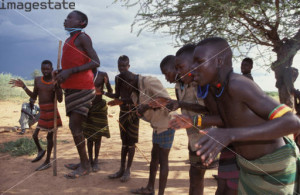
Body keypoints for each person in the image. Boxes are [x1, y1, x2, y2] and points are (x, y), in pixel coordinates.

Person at [182, 37, 300, 194]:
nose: (193, 68)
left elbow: (292, 122)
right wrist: (195, 121)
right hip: (248, 168)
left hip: (274, 169)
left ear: (219, 61)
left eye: (199, 61)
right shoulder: (216, 89)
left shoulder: (238, 84)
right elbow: (230, 119)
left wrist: (230, 134)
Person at [55, 10, 100, 178]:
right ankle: (83, 162)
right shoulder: (69, 40)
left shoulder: (82, 37)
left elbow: (96, 62)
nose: (66, 20)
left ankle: (85, 165)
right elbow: (71, 66)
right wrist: (61, 72)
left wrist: (70, 71)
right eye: (66, 17)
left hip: (83, 88)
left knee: (75, 126)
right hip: (72, 89)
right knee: (75, 126)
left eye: (70, 17)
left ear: (82, 23)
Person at [117, 71, 175, 195]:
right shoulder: (134, 92)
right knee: (154, 158)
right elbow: (142, 109)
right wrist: (140, 112)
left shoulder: (149, 81)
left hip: (166, 124)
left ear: (130, 81)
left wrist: (147, 106)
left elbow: (167, 101)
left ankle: (160, 193)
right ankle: (150, 188)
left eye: (125, 87)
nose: (125, 90)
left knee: (163, 160)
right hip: (156, 126)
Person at [9, 60, 63, 171]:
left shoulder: (56, 81)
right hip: (43, 111)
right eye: (43, 69)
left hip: (52, 111)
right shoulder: (37, 80)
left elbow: (60, 100)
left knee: (49, 137)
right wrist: (24, 87)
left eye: (48, 69)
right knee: (34, 135)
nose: (45, 71)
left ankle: (47, 161)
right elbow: (34, 96)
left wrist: (57, 86)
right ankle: (41, 151)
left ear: (52, 69)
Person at [64, 71, 113, 172]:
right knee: (89, 135)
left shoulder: (102, 75)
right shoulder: (84, 74)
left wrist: (105, 87)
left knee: (98, 135)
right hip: (87, 107)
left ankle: (96, 161)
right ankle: (89, 160)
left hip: (99, 107)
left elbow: (110, 92)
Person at [106, 55, 139, 182]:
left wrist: (121, 101)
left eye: (124, 66)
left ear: (128, 66)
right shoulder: (118, 78)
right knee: (124, 142)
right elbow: (116, 95)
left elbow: (137, 99)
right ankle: (121, 169)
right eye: (120, 66)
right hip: (123, 113)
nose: (122, 69)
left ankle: (128, 170)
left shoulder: (135, 79)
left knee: (131, 143)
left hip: (134, 113)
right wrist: (103, 93)